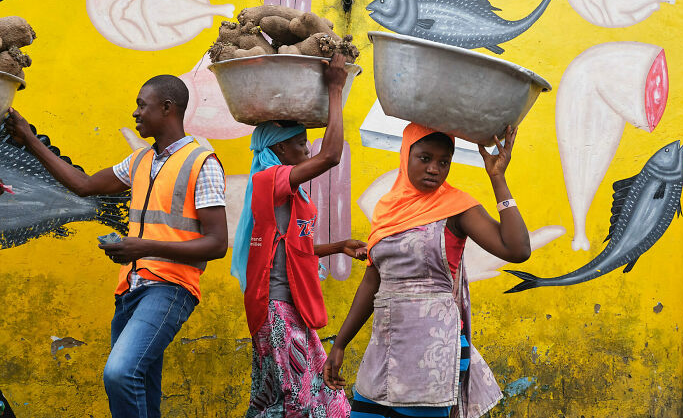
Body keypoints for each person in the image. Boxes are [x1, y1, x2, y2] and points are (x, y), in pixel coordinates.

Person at [3, 75, 228, 418]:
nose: (135, 113)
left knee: (120, 373)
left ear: (167, 108)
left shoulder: (202, 163)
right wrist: (30, 139)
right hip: (130, 291)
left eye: (142, 104)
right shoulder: (139, 162)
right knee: (142, 387)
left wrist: (142, 248)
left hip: (170, 289)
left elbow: (217, 244)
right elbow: (84, 185)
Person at [323, 123, 531, 417]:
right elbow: (372, 283)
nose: (434, 168)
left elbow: (517, 250)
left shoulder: (457, 208)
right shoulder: (386, 210)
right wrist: (340, 344)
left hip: (432, 351)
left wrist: (497, 177)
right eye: (425, 158)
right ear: (405, 155)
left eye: (443, 162)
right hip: (384, 346)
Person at [232, 54, 365, 418]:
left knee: (308, 397)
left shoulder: (289, 192)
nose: (308, 150)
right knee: (300, 400)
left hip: (294, 308)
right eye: (302, 143)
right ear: (279, 149)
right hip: (276, 309)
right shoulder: (268, 181)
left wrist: (338, 246)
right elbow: (332, 156)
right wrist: (335, 88)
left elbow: (295, 250)